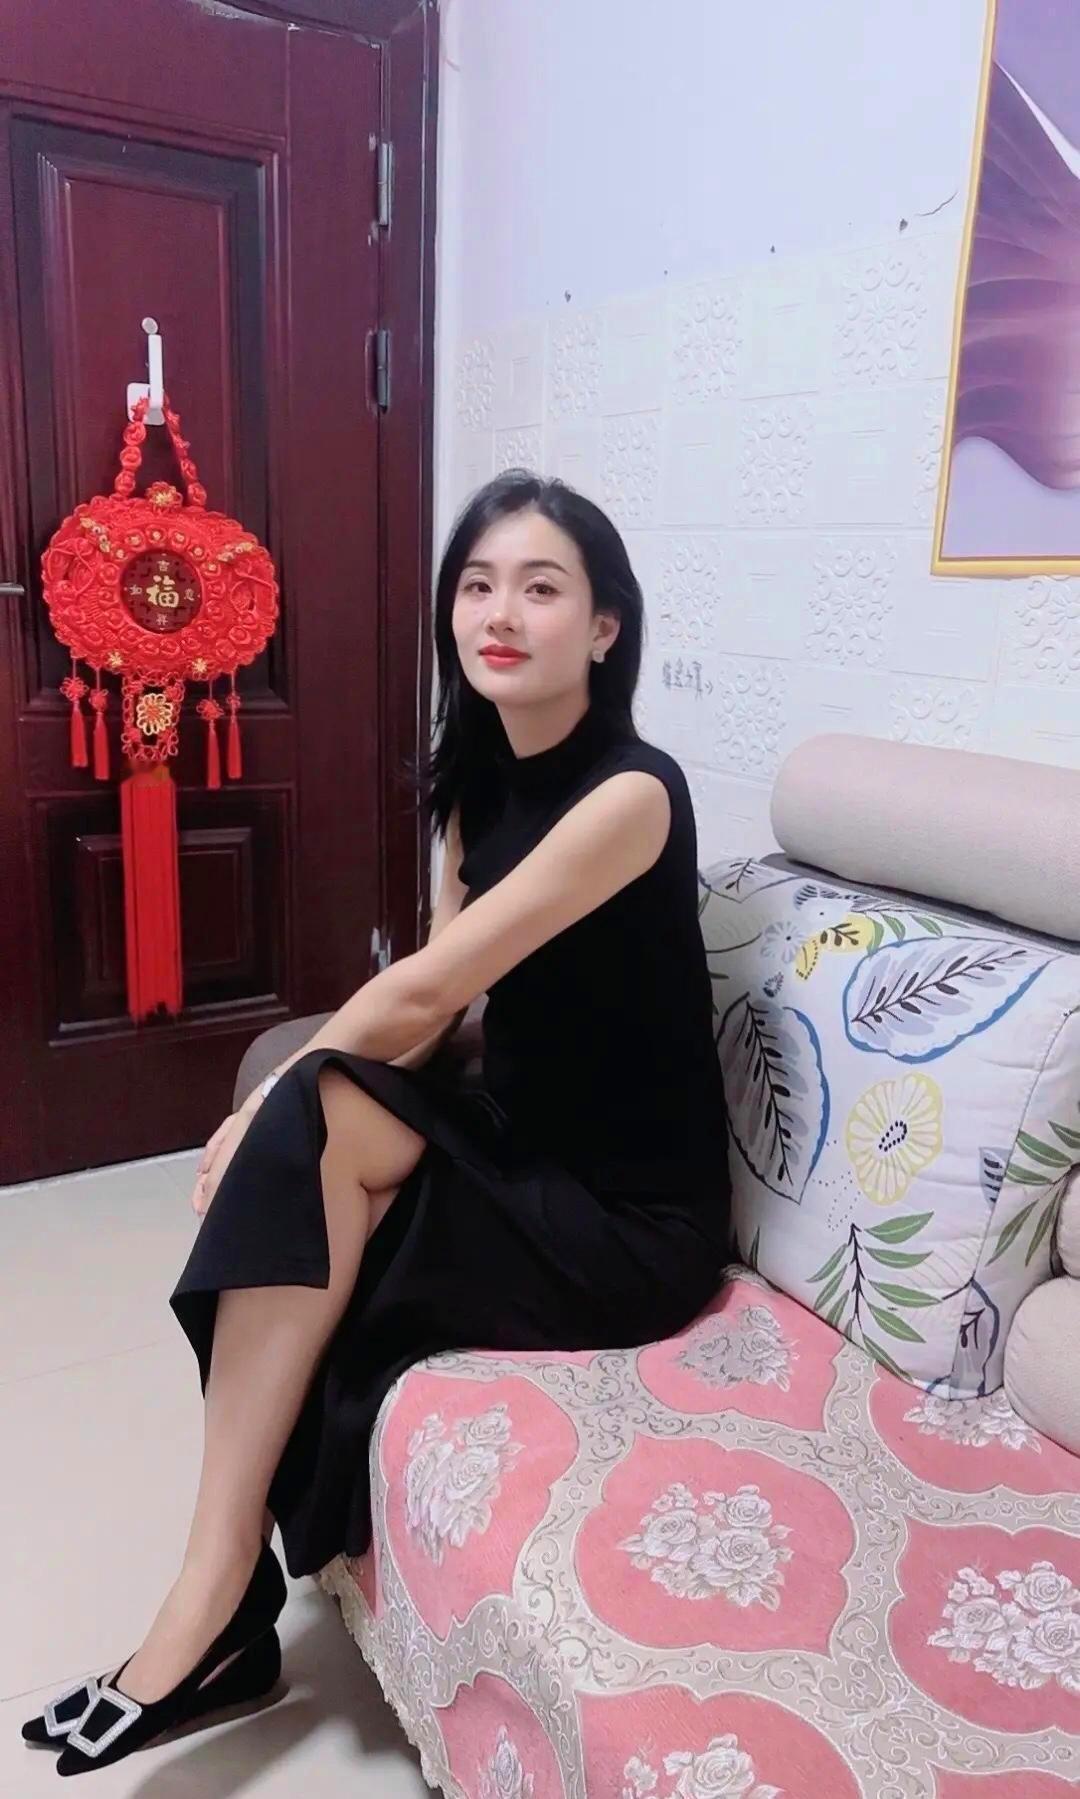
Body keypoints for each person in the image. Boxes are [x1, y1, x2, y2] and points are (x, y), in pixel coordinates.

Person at [24, 470, 731, 1775]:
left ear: (605, 628)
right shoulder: (476, 787)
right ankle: (224, 1597)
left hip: (624, 1219)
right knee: (302, 1135)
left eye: (541, 588)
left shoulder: (634, 795)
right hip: (514, 1144)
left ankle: (211, 1603)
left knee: (300, 1125)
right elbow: (442, 1019)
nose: (499, 614)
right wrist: (295, 1109)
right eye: (477, 585)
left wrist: (279, 1101)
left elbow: (422, 987)